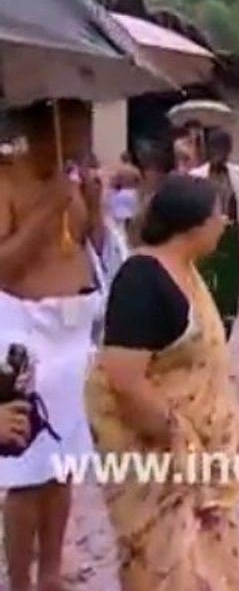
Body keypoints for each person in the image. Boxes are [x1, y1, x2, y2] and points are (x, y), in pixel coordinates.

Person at [84, 174, 239, 590]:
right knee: (165, 566)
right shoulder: (142, 280)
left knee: (212, 566)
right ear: (194, 224)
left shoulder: (187, 273)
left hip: (198, 464)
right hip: (158, 462)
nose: (224, 225)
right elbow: (123, 379)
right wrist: (179, 439)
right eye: (218, 216)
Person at [0, 100, 108, 591]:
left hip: (72, 337)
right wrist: (47, 210)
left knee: (62, 466)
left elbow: (90, 246)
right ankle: (20, 581)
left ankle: (50, 573)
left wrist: (94, 206)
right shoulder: (6, 182)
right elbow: (4, 268)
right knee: (26, 473)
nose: (78, 149)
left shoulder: (71, 182)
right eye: (72, 135)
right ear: (41, 132)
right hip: (25, 338)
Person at [191, 129, 239, 340]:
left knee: (228, 296)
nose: (220, 154)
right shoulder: (196, 177)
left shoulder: (238, 176)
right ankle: (206, 340)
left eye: (224, 149)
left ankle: (222, 339)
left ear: (229, 151)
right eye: (215, 148)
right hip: (203, 241)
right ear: (208, 150)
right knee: (204, 292)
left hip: (230, 242)